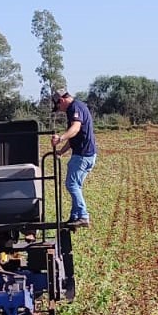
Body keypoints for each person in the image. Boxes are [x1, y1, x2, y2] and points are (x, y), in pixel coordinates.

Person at [50, 89, 97, 227]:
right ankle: (75, 216)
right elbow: (74, 137)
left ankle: (82, 215)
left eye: (58, 107)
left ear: (62, 100)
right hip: (86, 153)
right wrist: (61, 152)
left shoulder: (74, 108)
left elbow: (75, 129)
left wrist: (60, 138)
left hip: (83, 154)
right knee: (76, 185)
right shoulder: (78, 107)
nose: (60, 110)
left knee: (71, 184)